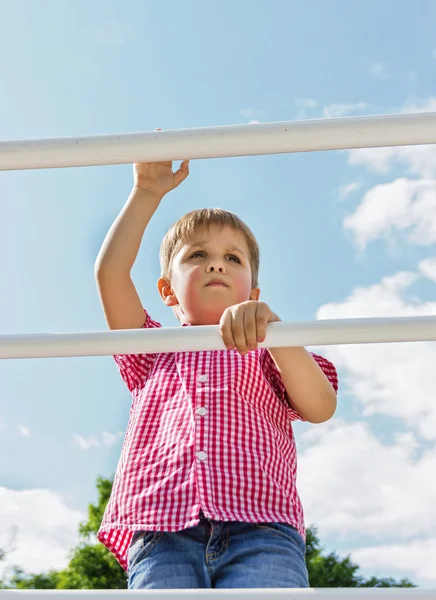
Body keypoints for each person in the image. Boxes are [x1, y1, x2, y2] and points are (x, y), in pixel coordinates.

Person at [94, 158, 339, 589]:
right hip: (162, 529)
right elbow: (110, 274)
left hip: (262, 527)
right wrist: (146, 193)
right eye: (198, 255)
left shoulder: (270, 352)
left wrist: (275, 330)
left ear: (254, 291)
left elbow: (320, 406)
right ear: (167, 290)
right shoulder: (151, 349)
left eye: (232, 257)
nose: (217, 264)